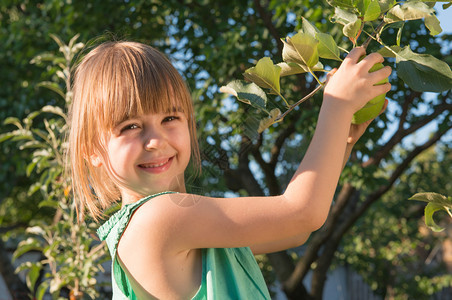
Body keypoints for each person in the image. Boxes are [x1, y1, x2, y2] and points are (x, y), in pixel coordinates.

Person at [67, 41, 391, 299]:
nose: (156, 140)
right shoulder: (159, 218)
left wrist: (341, 143)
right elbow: (302, 213)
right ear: (92, 151)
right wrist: (335, 105)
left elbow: (294, 231)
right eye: (131, 126)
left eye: (170, 119)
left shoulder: (185, 226)